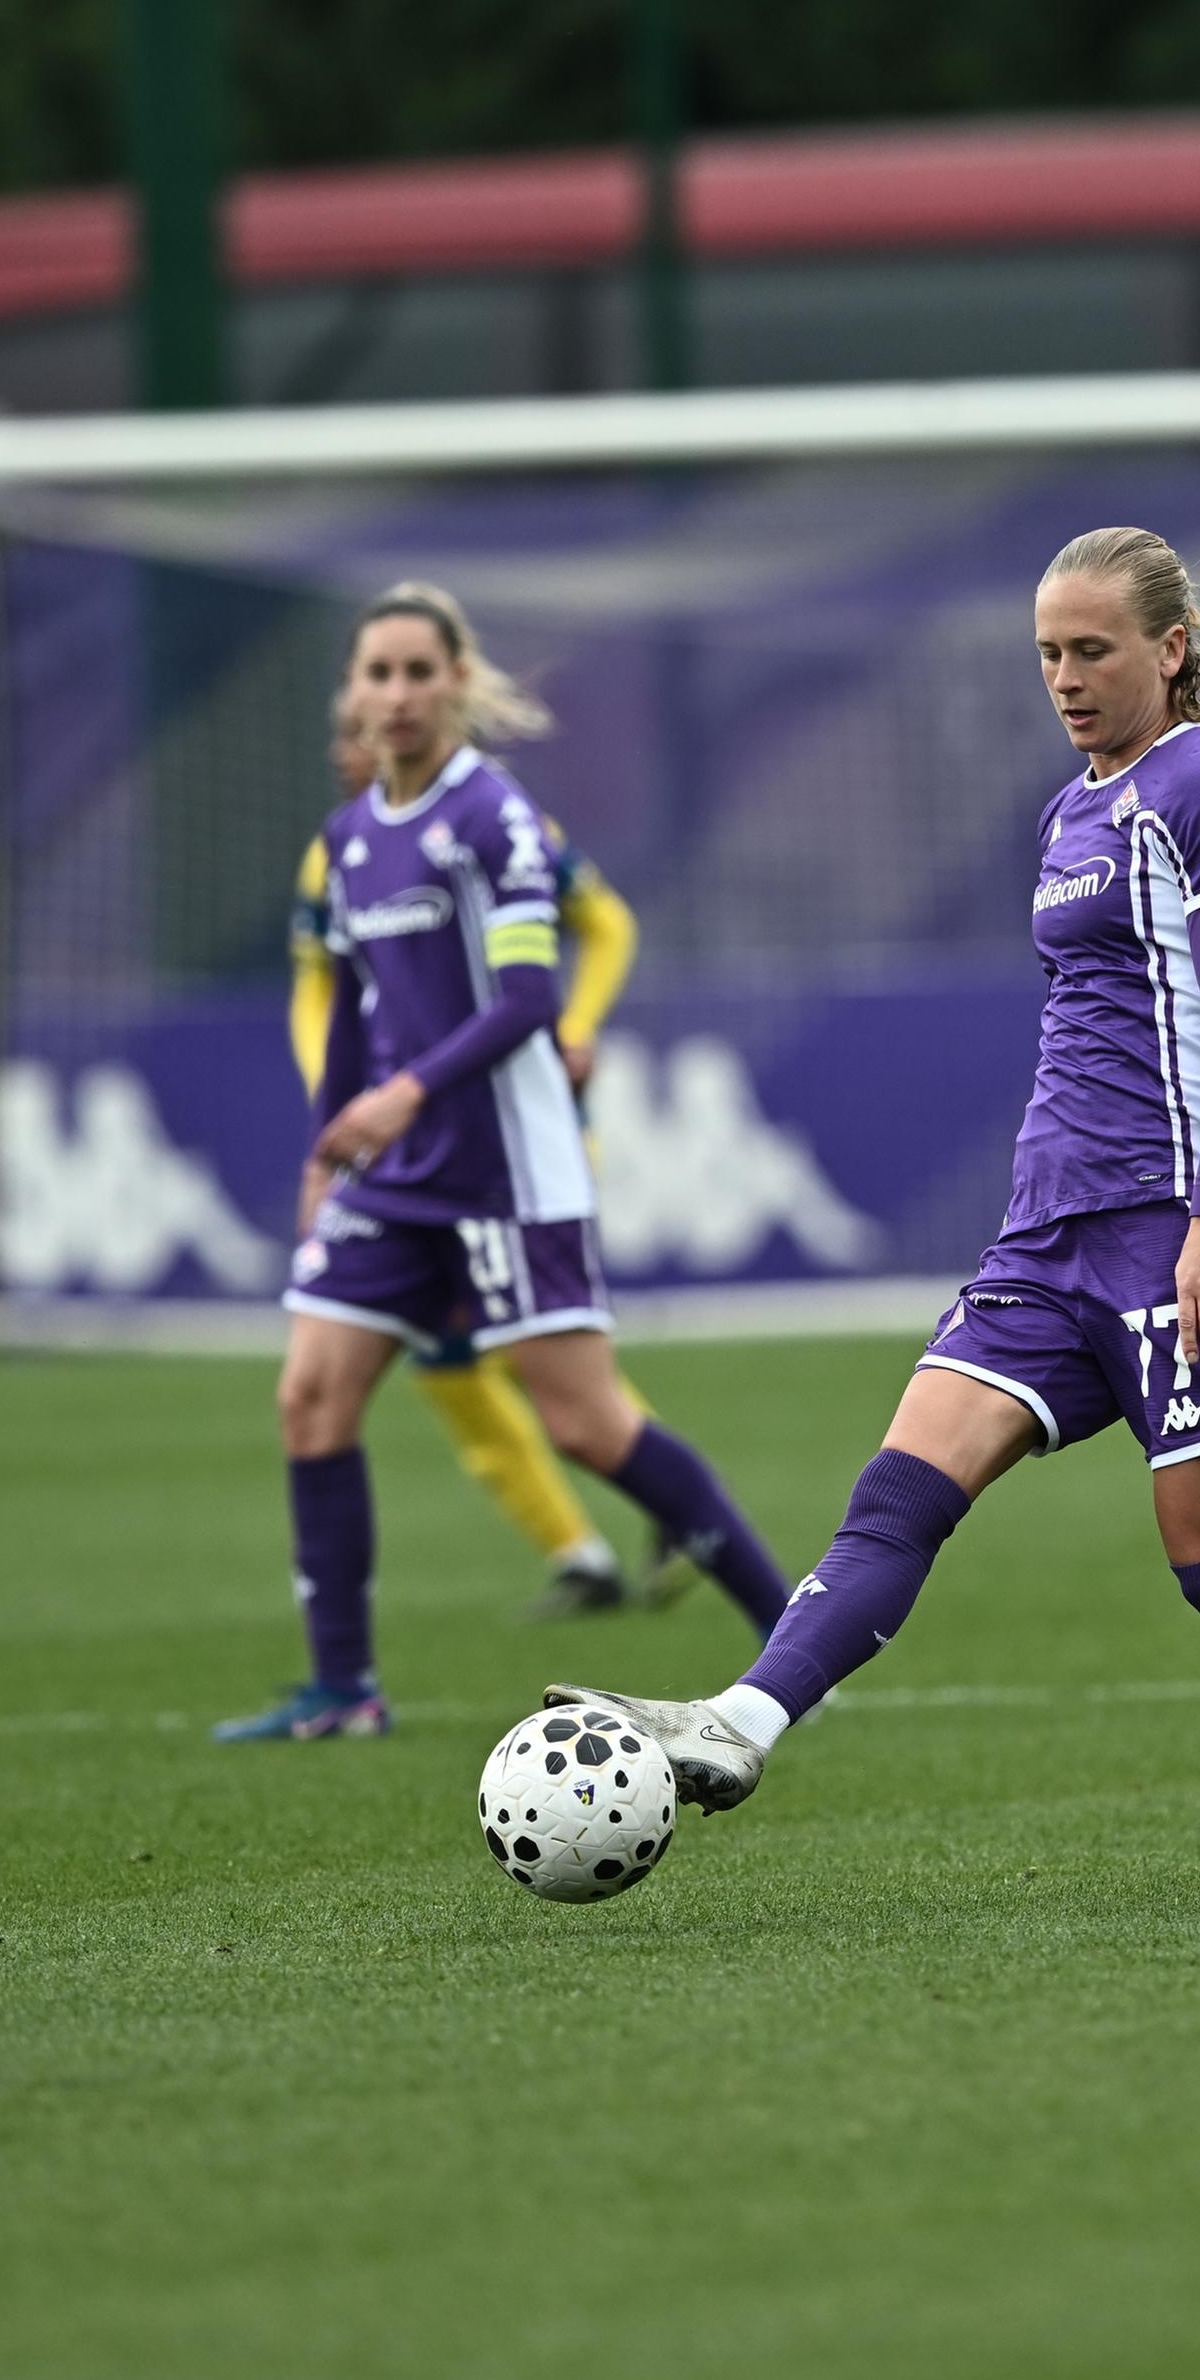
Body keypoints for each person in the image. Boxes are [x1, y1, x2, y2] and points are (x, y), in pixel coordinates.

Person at [545, 528, 1200, 1898]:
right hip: (1050, 1228)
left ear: (1170, 649)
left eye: (1093, 650)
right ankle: (745, 1719)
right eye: (1048, 656)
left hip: (1183, 1223)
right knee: (902, 1487)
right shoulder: (1072, 807)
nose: (1066, 678)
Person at [216, 583, 791, 1743]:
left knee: (585, 1423)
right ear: (353, 693)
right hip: (391, 1174)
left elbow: (528, 993)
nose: (396, 692)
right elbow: (347, 1008)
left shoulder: (493, 820)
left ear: (459, 683)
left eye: (419, 670)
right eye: (376, 672)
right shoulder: (344, 842)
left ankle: (793, 1641)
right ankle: (344, 1692)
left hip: (505, 1169)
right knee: (310, 1396)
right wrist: (331, 1146)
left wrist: (405, 1096)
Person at [284, 686, 677, 1625]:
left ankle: (676, 1518)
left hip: (497, 1147)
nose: (353, 746)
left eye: (362, 725)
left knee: (547, 1373)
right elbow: (321, 997)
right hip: (400, 1157)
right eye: (342, 728)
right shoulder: (334, 852)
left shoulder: (498, 819)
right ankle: (585, 1548)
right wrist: (338, 1114)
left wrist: (577, 1024)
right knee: (451, 1365)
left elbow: (604, 924)